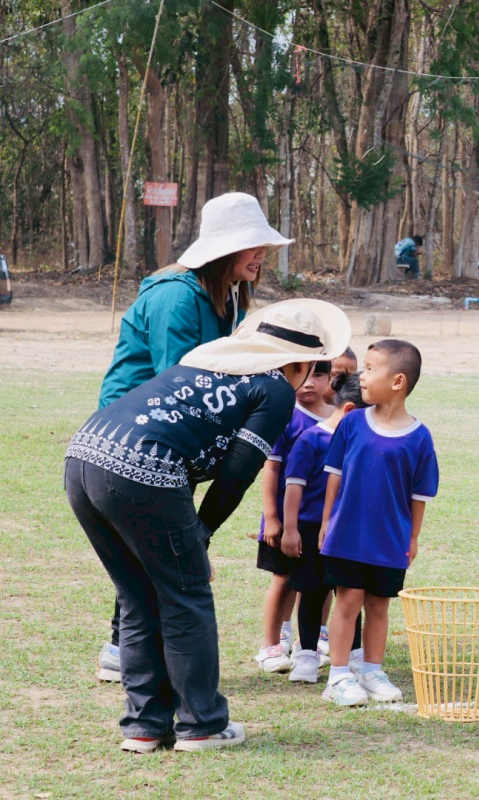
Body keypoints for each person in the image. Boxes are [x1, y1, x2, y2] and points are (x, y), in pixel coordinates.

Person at [65, 299, 351, 752]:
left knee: (139, 596)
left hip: (85, 453)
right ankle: (201, 724)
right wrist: (200, 535)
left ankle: (144, 725)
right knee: (186, 594)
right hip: (142, 467)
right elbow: (238, 473)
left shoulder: (209, 361)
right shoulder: (275, 387)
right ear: (300, 362)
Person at [95, 191, 293, 683]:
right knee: (154, 544)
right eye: (253, 246)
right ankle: (123, 648)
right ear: (225, 248)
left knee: (155, 543)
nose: (261, 254)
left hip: (178, 433)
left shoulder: (224, 293)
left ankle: (124, 647)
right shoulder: (176, 294)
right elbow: (178, 379)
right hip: (140, 433)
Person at [319, 339, 439, 706]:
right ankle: (338, 676)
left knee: (379, 605)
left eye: (371, 369)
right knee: (348, 600)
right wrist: (326, 523)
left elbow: (419, 496)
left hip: (389, 540)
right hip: (348, 534)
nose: (362, 376)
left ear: (398, 382)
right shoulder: (352, 422)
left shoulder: (419, 437)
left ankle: (371, 670)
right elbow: (334, 476)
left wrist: (413, 537)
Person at [281, 371, 370, 683]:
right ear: (349, 412)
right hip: (308, 530)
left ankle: (354, 654)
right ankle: (306, 656)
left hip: (347, 531)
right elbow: (294, 487)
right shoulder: (311, 440)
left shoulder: (361, 443)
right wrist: (290, 529)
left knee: (349, 594)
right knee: (311, 592)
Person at [254, 361, 334, 673]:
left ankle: (311, 641)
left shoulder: (338, 420)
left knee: (321, 581)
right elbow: (271, 469)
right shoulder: (284, 417)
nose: (310, 383)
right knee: (284, 579)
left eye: (319, 375)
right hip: (287, 522)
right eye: (303, 374)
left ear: (330, 379)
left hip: (321, 523)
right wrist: (273, 518)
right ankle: (272, 644)